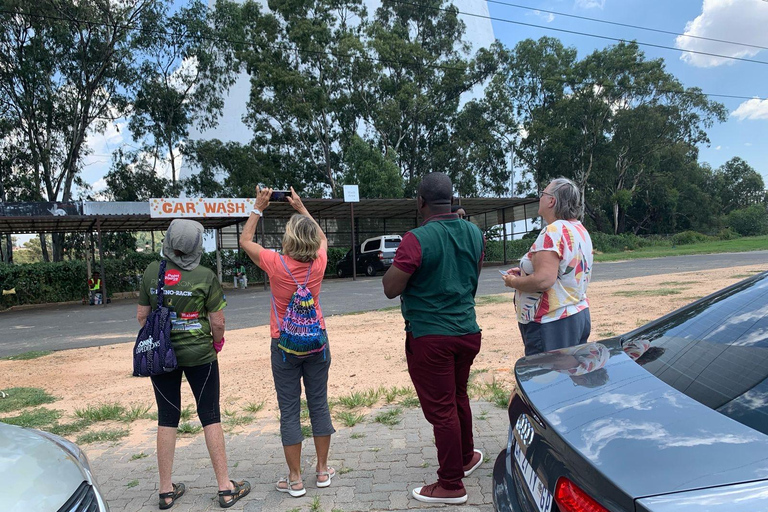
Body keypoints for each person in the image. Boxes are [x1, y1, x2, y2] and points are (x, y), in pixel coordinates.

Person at [382, 172, 485, 505]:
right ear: (452, 199)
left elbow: (390, 288)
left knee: (442, 411)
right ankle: (466, 456)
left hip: (431, 337)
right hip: (468, 331)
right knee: (458, 397)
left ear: (420, 202)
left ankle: (451, 485)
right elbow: (472, 278)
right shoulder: (474, 233)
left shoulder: (417, 239)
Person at [137, 219, 250, 510]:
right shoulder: (206, 275)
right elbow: (218, 322)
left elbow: (141, 317)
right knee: (210, 415)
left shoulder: (152, 272)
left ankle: (165, 491)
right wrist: (217, 343)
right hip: (201, 356)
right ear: (197, 245)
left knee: (167, 416)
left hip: (161, 357)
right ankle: (225, 488)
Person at [239, 186, 335, 497]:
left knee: (290, 409)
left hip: (283, 345)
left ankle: (295, 479)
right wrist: (301, 207)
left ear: (288, 240)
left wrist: (258, 206)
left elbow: (244, 241)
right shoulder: (319, 261)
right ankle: (322, 471)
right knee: (319, 404)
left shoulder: (274, 263)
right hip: (317, 342)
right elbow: (322, 238)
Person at [502, 177, 594, 356]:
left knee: (549, 378)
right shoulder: (578, 229)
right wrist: (524, 272)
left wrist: (513, 282)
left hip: (552, 322)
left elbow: (544, 280)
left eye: (542, 194)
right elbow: (562, 270)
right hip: (577, 314)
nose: (540, 198)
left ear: (552, 201)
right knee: (569, 376)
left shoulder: (553, 231)